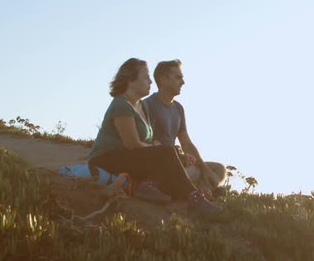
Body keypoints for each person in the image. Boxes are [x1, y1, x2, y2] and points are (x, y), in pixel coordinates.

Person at [88, 58, 221, 213]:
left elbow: (150, 142)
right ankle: (194, 198)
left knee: (170, 154)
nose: (151, 81)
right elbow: (132, 144)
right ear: (131, 80)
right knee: (167, 152)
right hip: (106, 159)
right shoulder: (121, 104)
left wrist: (177, 154)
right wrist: (160, 148)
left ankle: (162, 190)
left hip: (131, 158)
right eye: (146, 77)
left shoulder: (142, 106)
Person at [143, 59, 226, 195]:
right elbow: (147, 143)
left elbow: (186, 142)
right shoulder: (147, 105)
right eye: (178, 77)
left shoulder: (178, 108)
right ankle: (199, 194)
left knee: (218, 170)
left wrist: (205, 169)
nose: (183, 82)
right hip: (161, 167)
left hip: (179, 163)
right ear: (163, 80)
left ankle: (201, 193)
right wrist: (180, 157)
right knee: (195, 171)